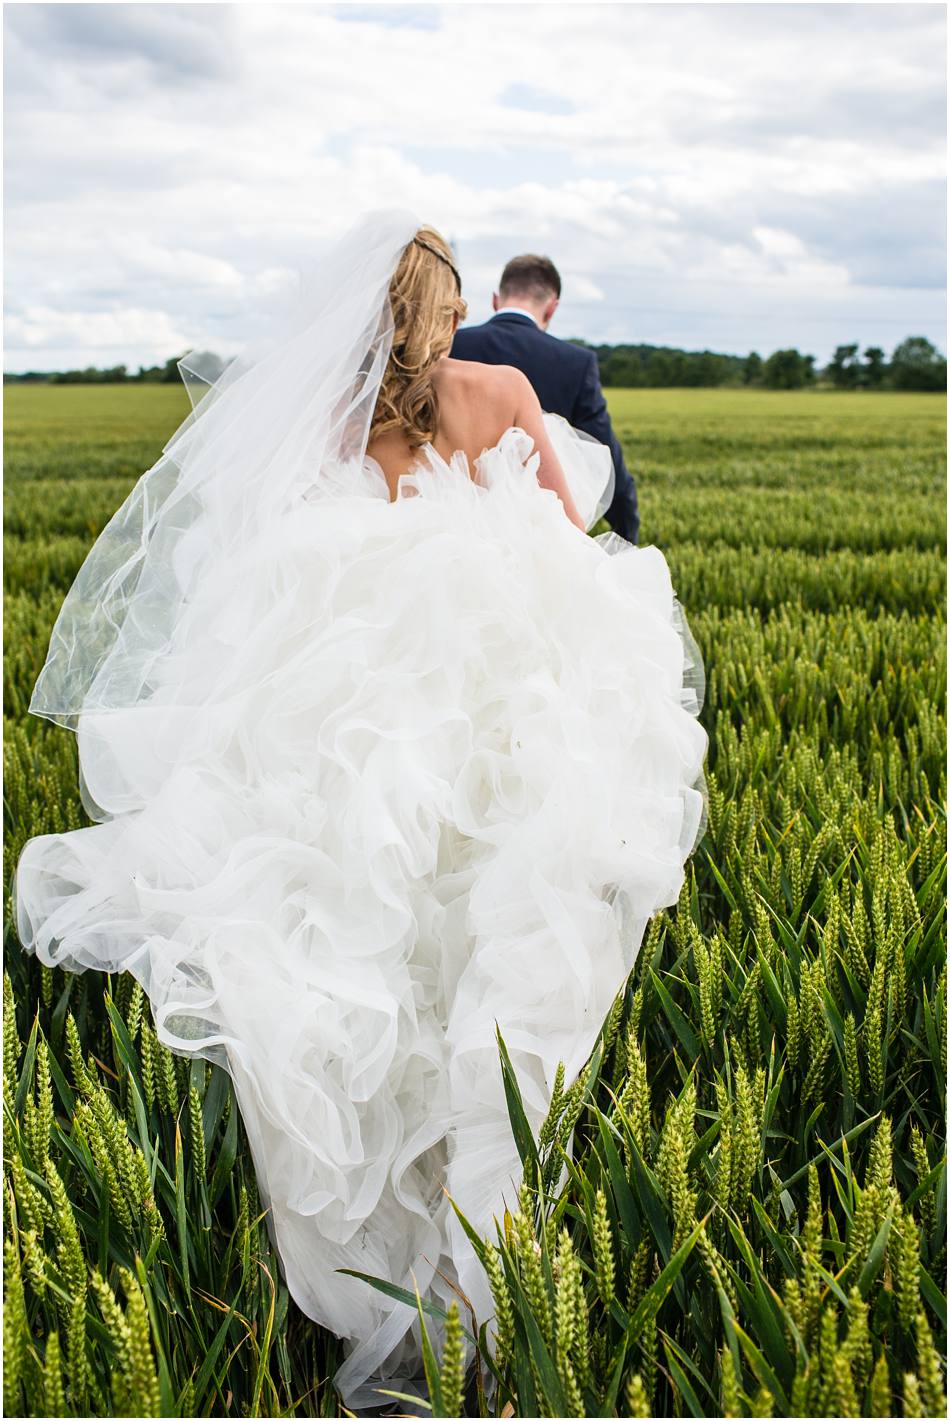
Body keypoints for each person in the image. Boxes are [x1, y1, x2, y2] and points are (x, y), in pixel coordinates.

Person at [12, 212, 706, 1415]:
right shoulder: (494, 386)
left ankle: (373, 1267)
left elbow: (268, 543)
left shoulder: (332, 422)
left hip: (358, 712)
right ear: (446, 311)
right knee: (493, 940)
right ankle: (480, 1258)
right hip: (484, 690)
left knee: (366, 950)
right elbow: (564, 525)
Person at [451, 252, 641, 543]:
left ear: (495, 300)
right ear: (552, 309)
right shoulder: (576, 363)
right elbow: (605, 450)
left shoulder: (450, 347)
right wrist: (626, 534)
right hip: (538, 538)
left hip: (457, 529)